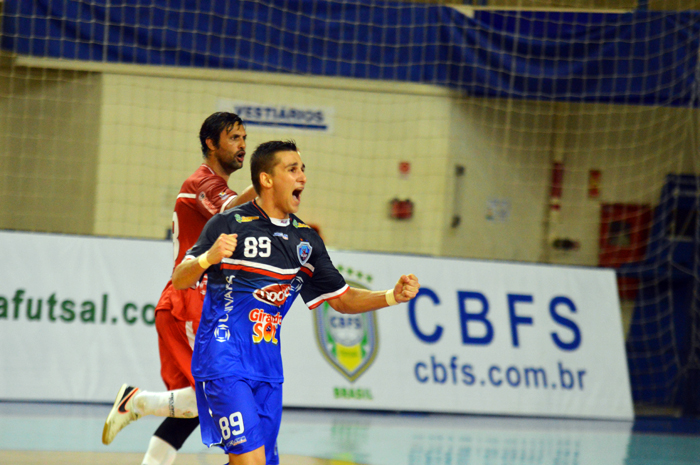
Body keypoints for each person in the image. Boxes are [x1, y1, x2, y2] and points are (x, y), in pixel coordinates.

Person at [171, 140, 420, 465]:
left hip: (268, 368)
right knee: (251, 462)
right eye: (292, 169)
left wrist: (391, 296)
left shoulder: (306, 241)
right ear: (266, 179)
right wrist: (207, 257)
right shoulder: (228, 224)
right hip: (224, 359)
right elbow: (180, 278)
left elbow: (342, 299)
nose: (302, 177)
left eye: (303, 169)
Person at [102, 112, 257, 465]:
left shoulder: (220, 190)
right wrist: (267, 183)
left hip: (198, 304)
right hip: (189, 301)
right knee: (217, 396)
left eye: (245, 138)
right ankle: (136, 401)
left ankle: (139, 413)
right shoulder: (201, 183)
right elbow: (232, 209)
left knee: (193, 406)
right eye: (234, 138)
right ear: (211, 143)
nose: (243, 145)